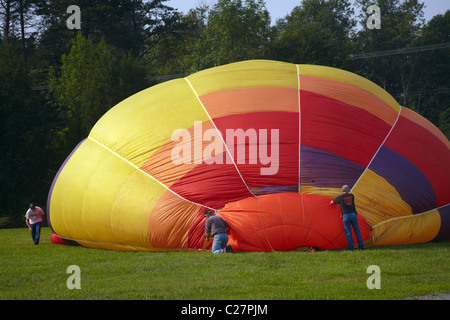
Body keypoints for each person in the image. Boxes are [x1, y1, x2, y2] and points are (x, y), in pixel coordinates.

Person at [330, 185, 364, 250]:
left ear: (342, 190)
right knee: (357, 231)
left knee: (348, 232)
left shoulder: (340, 197)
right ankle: (361, 247)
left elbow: (332, 202)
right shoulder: (352, 196)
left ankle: (351, 248)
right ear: (348, 190)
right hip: (353, 215)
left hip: (346, 216)